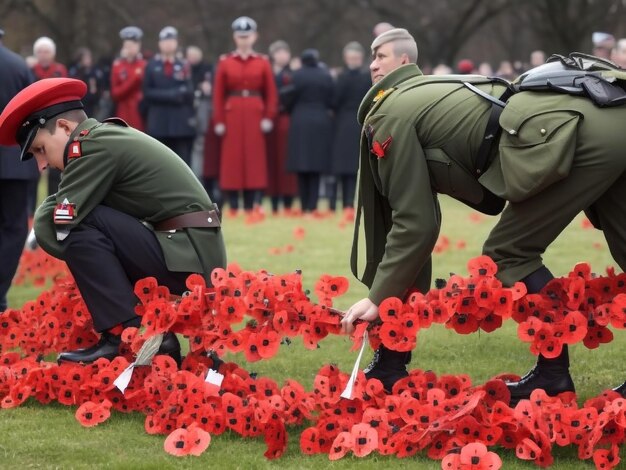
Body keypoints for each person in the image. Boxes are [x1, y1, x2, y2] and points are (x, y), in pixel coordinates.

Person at [340, 28, 626, 401]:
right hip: (609, 116)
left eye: (380, 56)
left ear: (405, 61)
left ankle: (552, 377)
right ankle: (392, 364)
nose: (372, 64)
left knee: (509, 254)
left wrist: (378, 298)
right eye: (371, 57)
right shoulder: (427, 93)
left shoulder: (391, 112)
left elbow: (415, 223)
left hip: (581, 128)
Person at [0, 78, 227, 365]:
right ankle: (151, 337)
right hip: (186, 251)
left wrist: (58, 212)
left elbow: (55, 224)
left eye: (41, 149)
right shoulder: (102, 138)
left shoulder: (91, 146)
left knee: (78, 227)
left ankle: (123, 335)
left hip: (186, 258)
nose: (42, 164)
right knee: (85, 224)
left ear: (66, 129)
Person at [212, 16, 278, 214]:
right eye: (240, 36)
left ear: (254, 37)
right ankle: (233, 204)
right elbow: (218, 94)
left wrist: (268, 116)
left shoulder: (262, 62)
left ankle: (251, 203)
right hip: (232, 113)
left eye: (247, 36)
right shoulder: (225, 62)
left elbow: (271, 93)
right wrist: (219, 120)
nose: (244, 40)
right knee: (232, 159)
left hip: (254, 114)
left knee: (253, 158)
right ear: (235, 37)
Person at [0, 28, 37, 312]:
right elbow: (33, 113)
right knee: (13, 229)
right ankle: (0, 291)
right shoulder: (19, 66)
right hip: (13, 159)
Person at [286, 49, 334, 214]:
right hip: (320, 120)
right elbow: (332, 99)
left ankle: (304, 204)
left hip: (300, 120)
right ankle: (313, 206)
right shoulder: (325, 75)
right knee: (316, 166)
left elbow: (289, 97)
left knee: (301, 166)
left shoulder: (297, 75)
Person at [143, 26, 196, 166]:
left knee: (182, 163)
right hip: (159, 121)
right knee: (159, 162)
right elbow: (147, 92)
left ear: (176, 43)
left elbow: (189, 92)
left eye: (171, 40)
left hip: (180, 123)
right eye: (165, 41)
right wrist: (173, 94)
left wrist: (170, 94)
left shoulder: (184, 65)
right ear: (159, 44)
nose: (168, 44)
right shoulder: (151, 65)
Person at [329, 41, 371, 214]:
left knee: (352, 165)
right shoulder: (345, 77)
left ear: (360, 58)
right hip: (345, 122)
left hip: (355, 121)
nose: (353, 60)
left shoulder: (348, 77)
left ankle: (347, 202)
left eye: (356, 57)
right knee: (343, 164)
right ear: (346, 58)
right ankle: (338, 202)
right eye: (351, 57)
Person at [32, 36, 67, 199]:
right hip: (34, 124)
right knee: (33, 170)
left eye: (46, 51)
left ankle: (54, 203)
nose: (43, 54)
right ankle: (30, 213)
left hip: (54, 122)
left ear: (52, 54)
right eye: (40, 51)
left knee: (55, 168)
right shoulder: (31, 71)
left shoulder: (60, 70)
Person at [266, 40, 298, 215]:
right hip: (271, 123)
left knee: (287, 162)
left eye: (285, 52)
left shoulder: (294, 75)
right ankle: (273, 202)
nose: (282, 56)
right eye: (278, 52)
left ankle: (288, 202)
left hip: (287, 122)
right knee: (272, 163)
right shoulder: (267, 73)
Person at [110, 26, 146, 131]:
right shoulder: (118, 65)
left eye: (133, 45)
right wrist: (135, 79)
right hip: (123, 114)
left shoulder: (144, 65)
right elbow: (115, 93)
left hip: (140, 113)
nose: (130, 48)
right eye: (127, 45)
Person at [68, 47, 106, 117]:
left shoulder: (94, 71)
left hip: (93, 103)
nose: (88, 60)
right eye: (86, 58)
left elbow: (101, 84)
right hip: (79, 102)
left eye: (89, 58)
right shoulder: (75, 71)